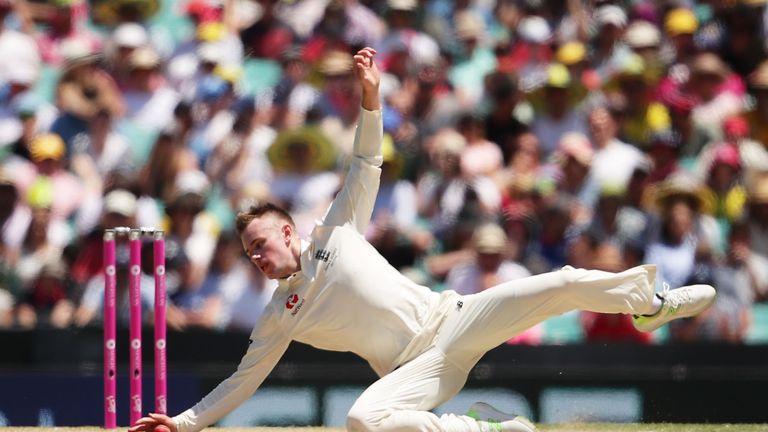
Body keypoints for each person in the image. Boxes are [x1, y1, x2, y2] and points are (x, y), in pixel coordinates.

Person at [129, 47, 716, 432]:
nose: (257, 257)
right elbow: (242, 380)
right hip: (416, 372)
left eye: (262, 243)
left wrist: (371, 97)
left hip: (455, 316)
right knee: (363, 422)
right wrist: (181, 424)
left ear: (288, 230)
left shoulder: (336, 230)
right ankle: (487, 429)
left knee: (561, 283)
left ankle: (651, 305)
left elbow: (365, 162)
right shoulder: (279, 314)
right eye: (250, 252)